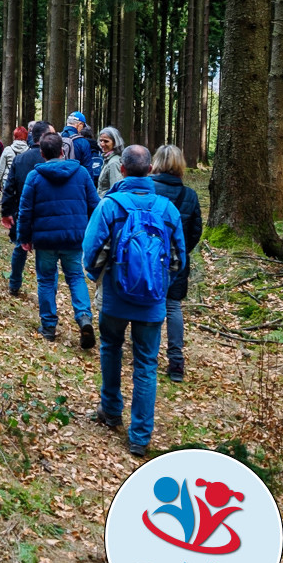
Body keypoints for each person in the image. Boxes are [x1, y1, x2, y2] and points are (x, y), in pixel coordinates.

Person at [82, 145, 186, 457]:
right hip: (153, 301)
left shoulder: (111, 205)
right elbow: (179, 260)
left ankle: (111, 409)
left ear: (123, 170)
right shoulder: (167, 209)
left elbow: (91, 252)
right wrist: (159, 282)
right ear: (150, 170)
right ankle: (140, 436)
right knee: (146, 364)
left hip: (115, 295)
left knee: (111, 348)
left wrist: (99, 277)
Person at [17, 132, 99, 347]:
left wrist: (24, 238)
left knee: (45, 279)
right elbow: (95, 206)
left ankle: (48, 326)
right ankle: (83, 317)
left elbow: (25, 211)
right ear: (62, 151)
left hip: (45, 240)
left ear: (42, 153)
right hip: (74, 238)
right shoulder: (81, 173)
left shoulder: (34, 177)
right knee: (75, 277)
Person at [151, 145, 203, 383]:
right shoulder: (189, 196)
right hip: (176, 262)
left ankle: (145, 353)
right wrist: (181, 253)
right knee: (173, 308)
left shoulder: (147, 189)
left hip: (147, 258)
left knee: (146, 304)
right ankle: (176, 362)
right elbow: (195, 231)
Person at [1, 120, 52, 296]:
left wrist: (6, 211)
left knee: (19, 248)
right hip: (46, 214)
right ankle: (47, 292)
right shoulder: (52, 160)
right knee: (44, 255)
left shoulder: (20, 159)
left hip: (22, 212)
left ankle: (14, 284)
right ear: (43, 137)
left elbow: (9, 188)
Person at [0, 127, 29, 195]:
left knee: (8, 203)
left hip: (8, 180)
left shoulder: (8, 150)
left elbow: (1, 168)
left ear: (14, 136)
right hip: (23, 181)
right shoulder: (29, 151)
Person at [97, 126, 125, 196]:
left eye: (106, 141)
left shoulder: (114, 162)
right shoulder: (107, 159)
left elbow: (116, 190)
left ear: (115, 142)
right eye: (101, 140)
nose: (102, 144)